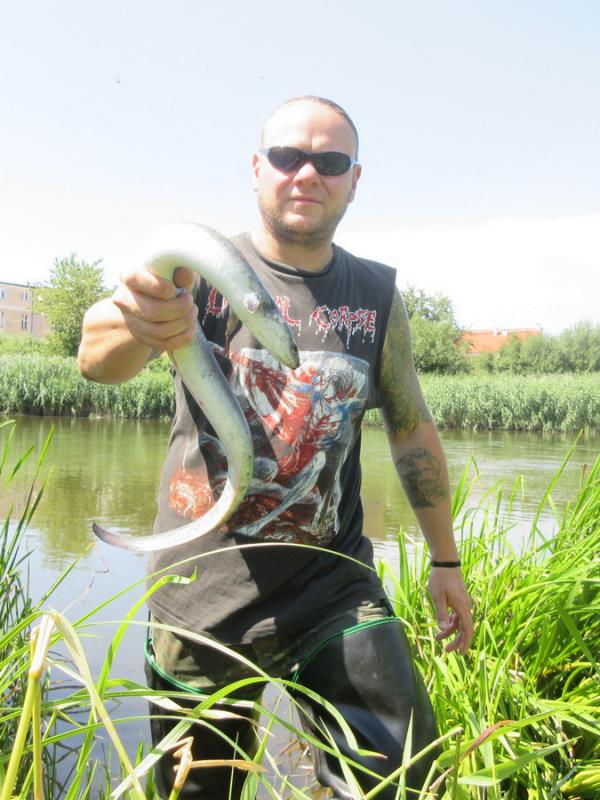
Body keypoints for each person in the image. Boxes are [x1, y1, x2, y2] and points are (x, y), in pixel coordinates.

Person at [78, 96, 473, 799]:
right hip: (198, 594)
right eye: (288, 156)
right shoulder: (192, 272)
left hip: (333, 582)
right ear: (257, 168)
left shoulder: (376, 295)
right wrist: (139, 322)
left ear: (355, 180)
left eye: (330, 160)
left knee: (400, 771)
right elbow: (95, 357)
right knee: (199, 791)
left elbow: (411, 427)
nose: (307, 173)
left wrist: (446, 561)